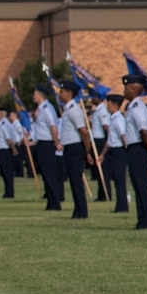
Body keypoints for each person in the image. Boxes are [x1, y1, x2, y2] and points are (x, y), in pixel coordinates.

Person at [119, 74, 147, 230]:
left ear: (134, 88)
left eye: (126, 88)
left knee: (141, 186)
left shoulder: (137, 108)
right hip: (134, 148)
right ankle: (141, 219)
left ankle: (146, 221)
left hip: (139, 148)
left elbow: (144, 132)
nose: (124, 91)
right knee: (137, 185)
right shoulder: (132, 106)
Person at [57, 81, 91, 219]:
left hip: (75, 148)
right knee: (73, 180)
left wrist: (87, 151)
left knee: (76, 180)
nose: (60, 94)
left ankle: (81, 211)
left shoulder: (73, 110)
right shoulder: (67, 109)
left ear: (69, 93)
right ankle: (78, 209)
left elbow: (83, 131)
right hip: (69, 147)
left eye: (62, 92)